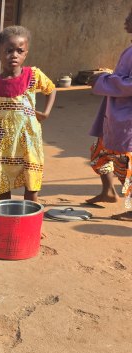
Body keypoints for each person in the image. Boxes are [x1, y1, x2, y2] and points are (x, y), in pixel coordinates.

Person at [0, 26, 56, 202]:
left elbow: (51, 89)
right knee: (3, 181)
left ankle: (30, 225)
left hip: (30, 139)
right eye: (8, 51)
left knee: (31, 180)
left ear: (26, 54)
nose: (14, 55)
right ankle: (5, 221)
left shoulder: (33, 75)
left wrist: (46, 113)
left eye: (20, 51)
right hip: (6, 142)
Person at [85, 8, 132, 221]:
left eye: (129, 18)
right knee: (99, 152)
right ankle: (108, 191)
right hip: (115, 114)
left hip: (126, 118)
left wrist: (103, 80)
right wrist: (106, 77)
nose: (125, 20)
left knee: (126, 164)